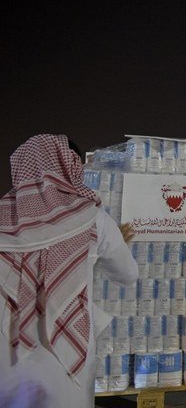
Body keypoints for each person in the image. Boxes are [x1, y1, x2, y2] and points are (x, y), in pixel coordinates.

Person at [0, 134, 138, 408]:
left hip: (6, 351)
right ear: (70, 167)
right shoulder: (93, 220)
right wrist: (106, 247)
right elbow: (127, 275)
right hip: (61, 354)